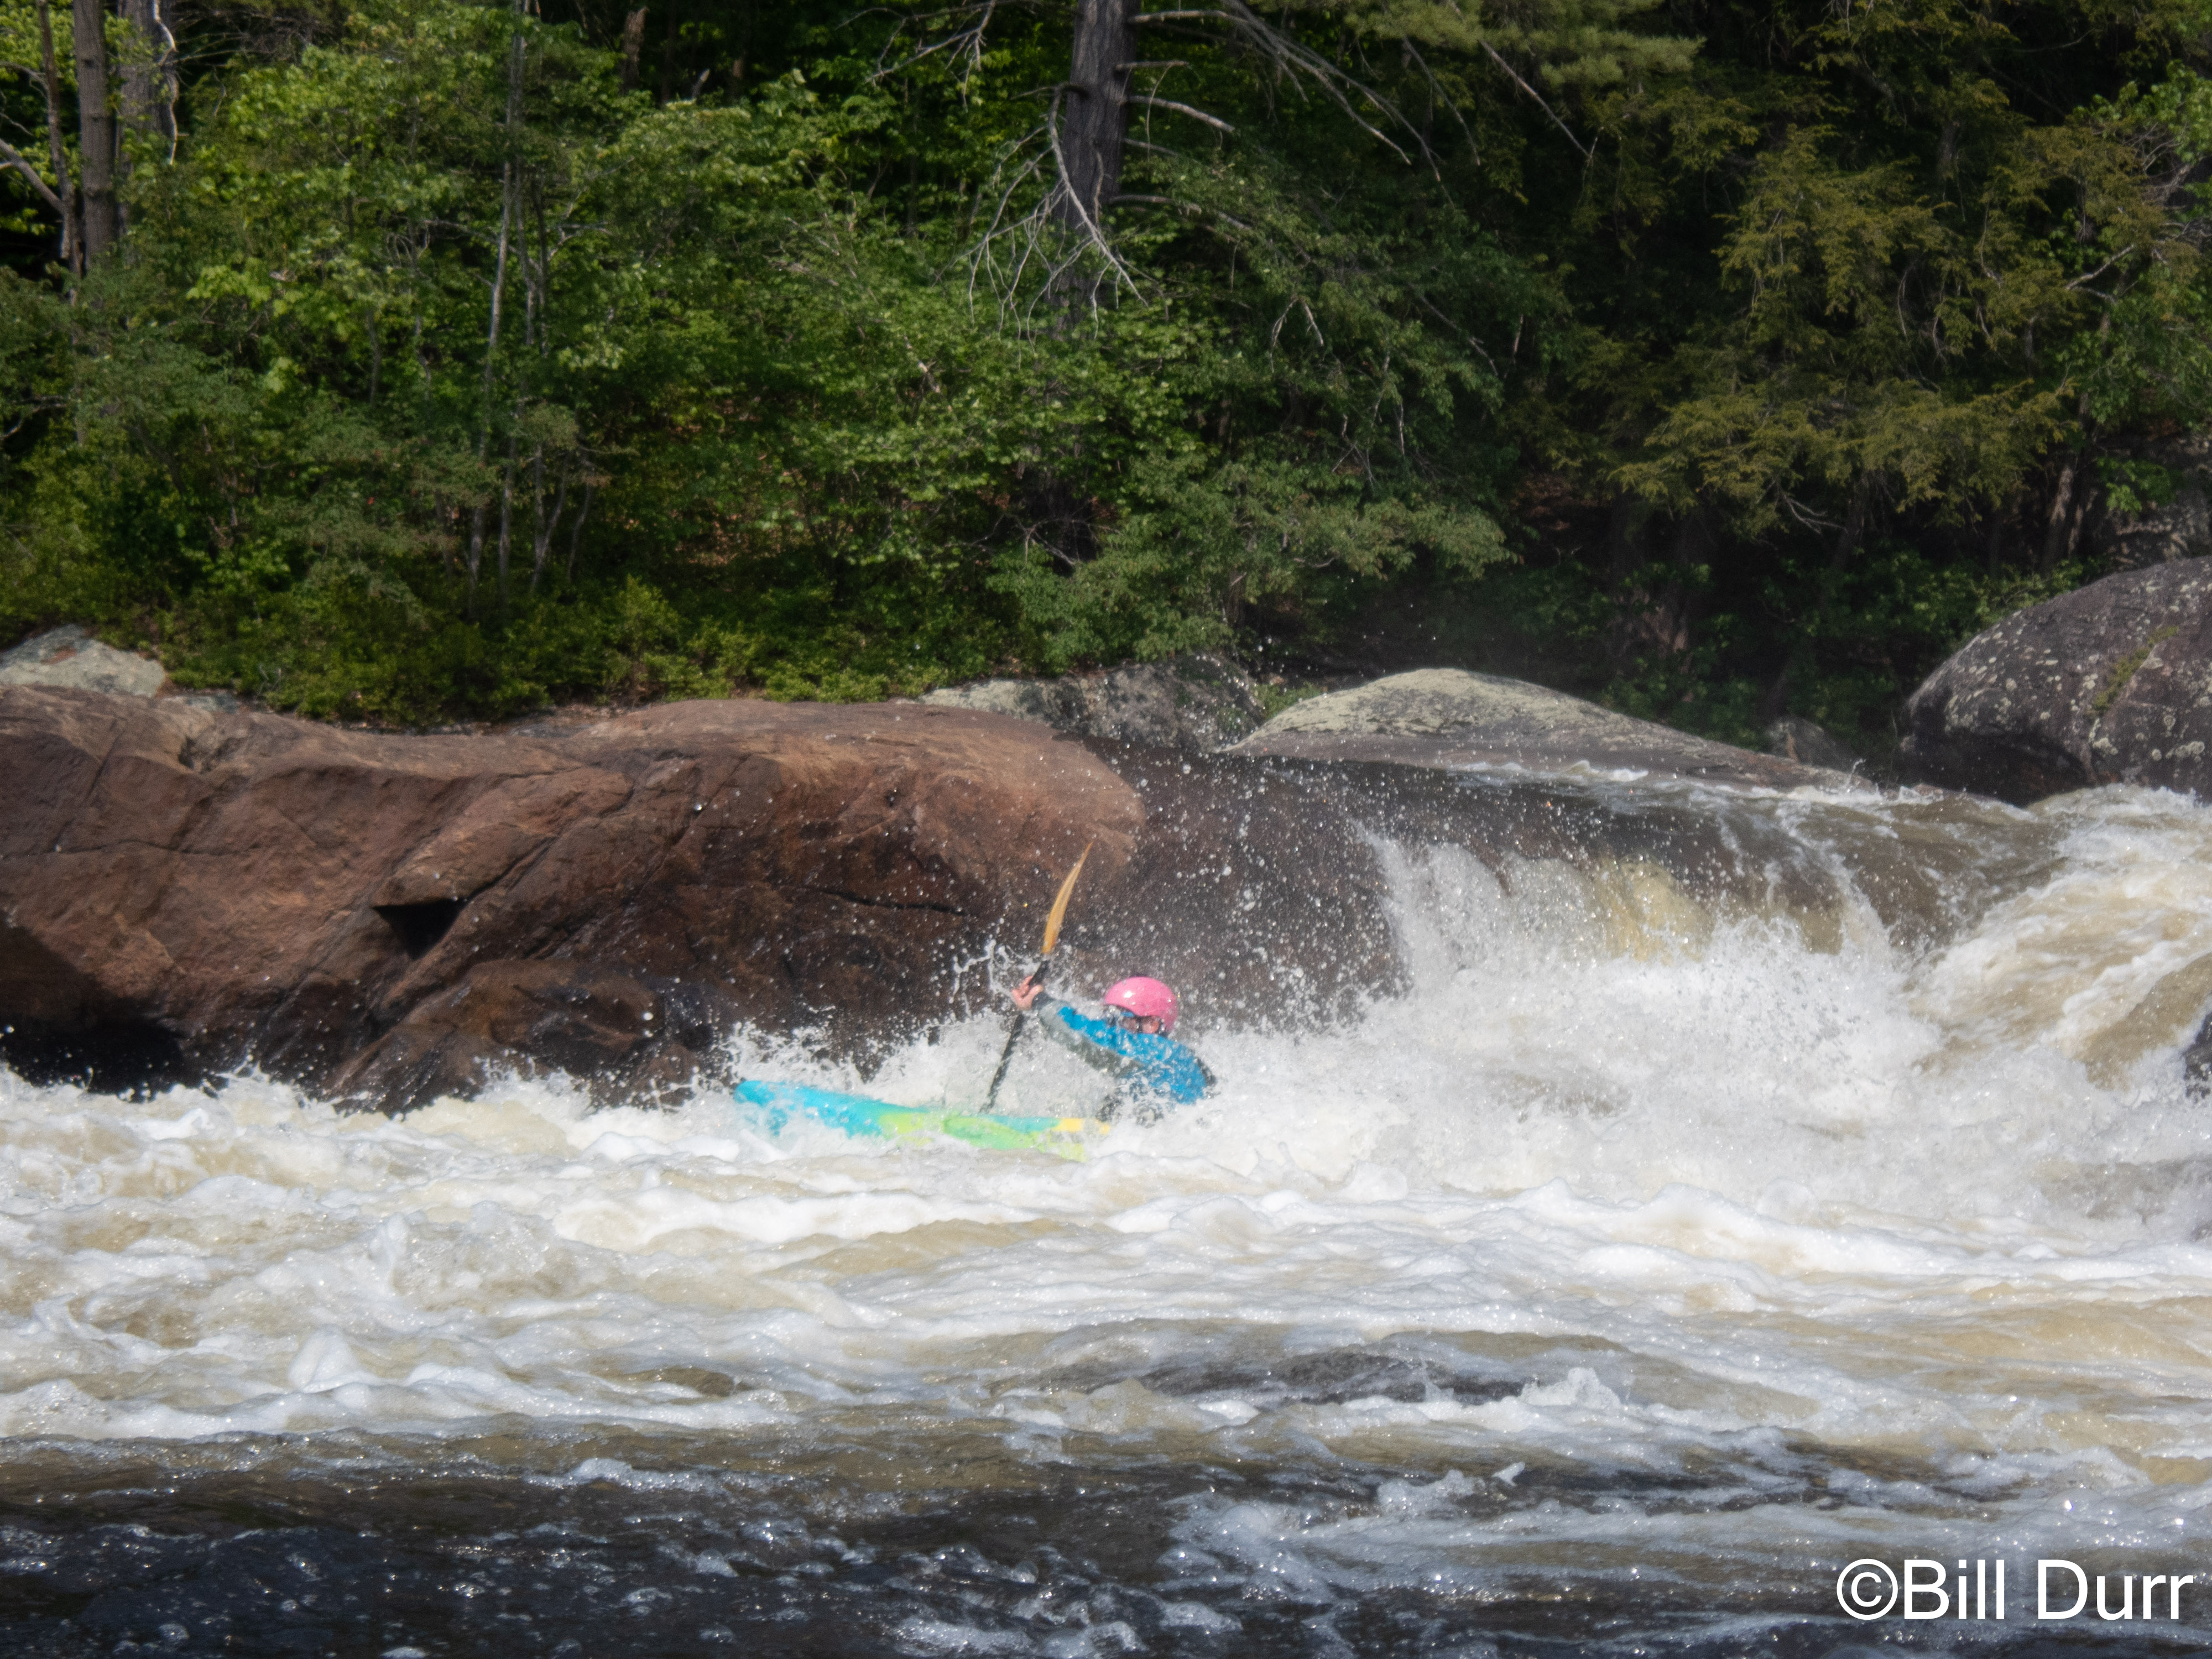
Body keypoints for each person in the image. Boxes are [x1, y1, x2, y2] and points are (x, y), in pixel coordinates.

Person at [1009, 973, 1214, 1120]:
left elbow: (1084, 1034)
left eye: (1120, 1019)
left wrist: (1040, 1000)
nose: (1111, 1026)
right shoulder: (1183, 1060)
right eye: (1109, 1018)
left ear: (1152, 1024)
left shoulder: (1158, 1051)